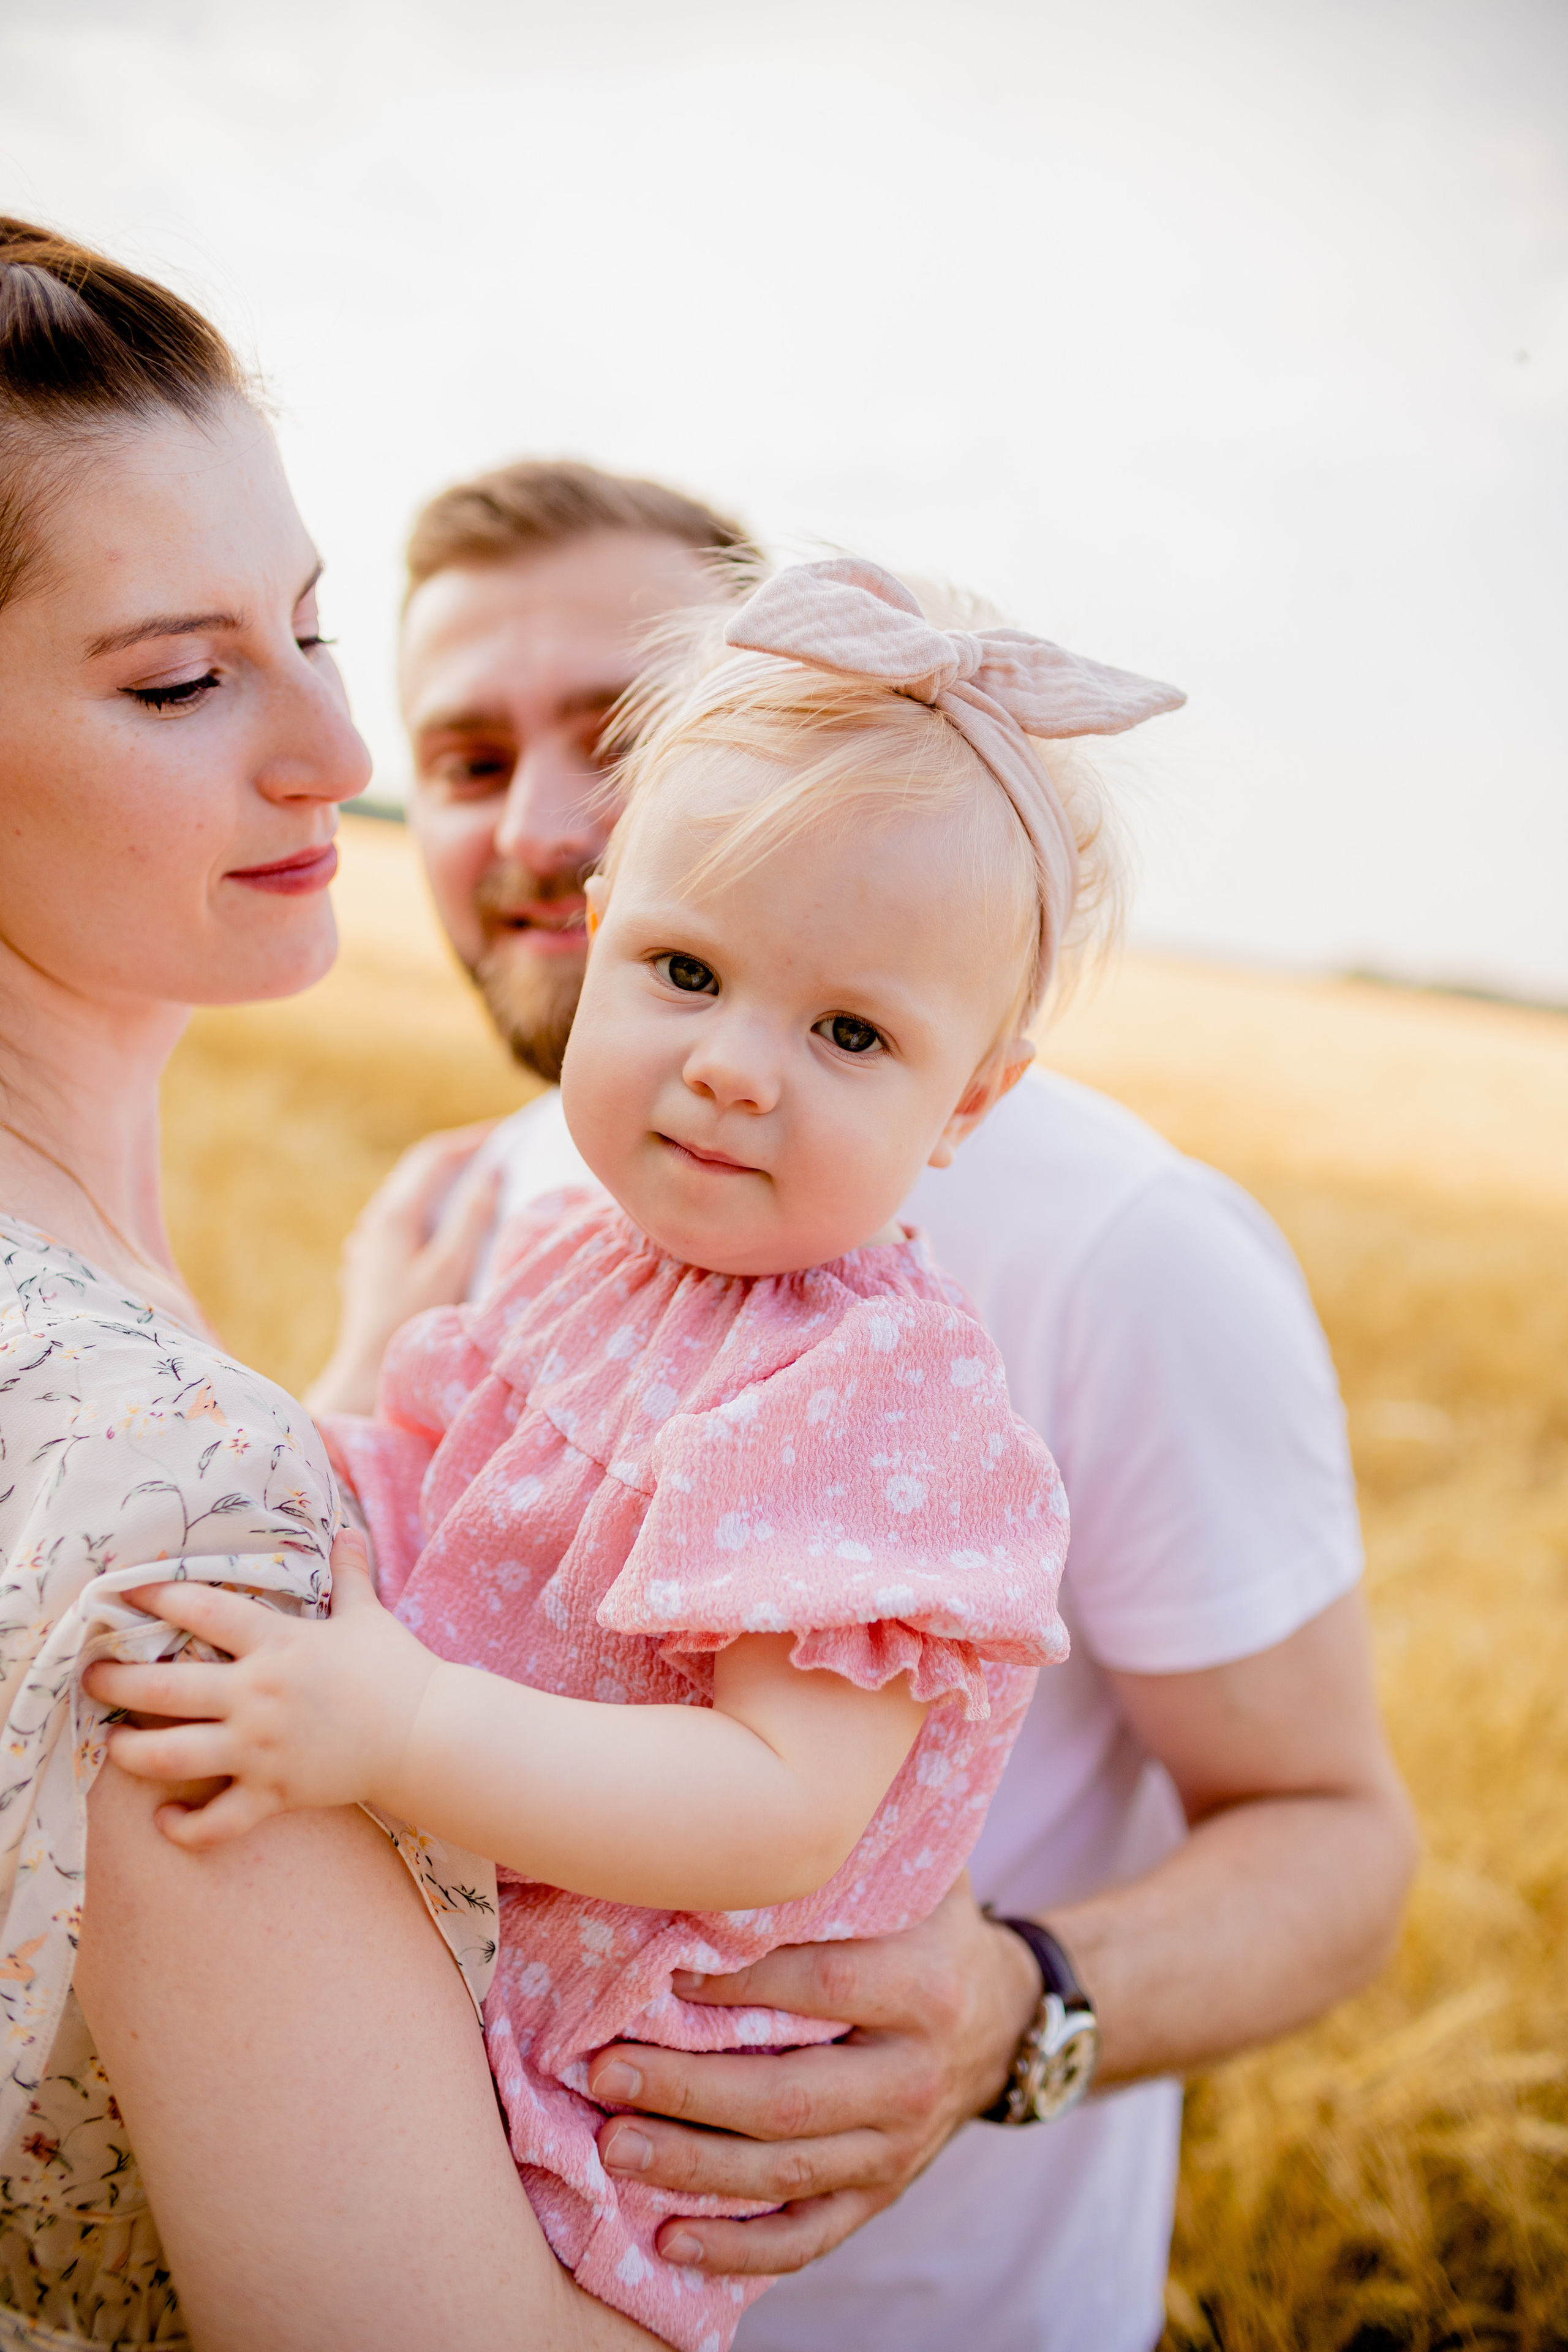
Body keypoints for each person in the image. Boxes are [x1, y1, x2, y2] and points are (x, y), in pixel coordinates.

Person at [311, 461, 1420, 2352]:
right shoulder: (501, 1202)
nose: (548, 821)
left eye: (609, 724)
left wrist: (1019, 2002)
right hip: (429, 2211)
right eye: (471, 756)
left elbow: (1337, 1837)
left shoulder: (1113, 1255)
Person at [0, 218, 660, 2351]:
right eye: (180, 680)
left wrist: (346, 1412)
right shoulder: (183, 1491)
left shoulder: (162, 1394)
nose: (330, 748)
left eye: (305, 625)